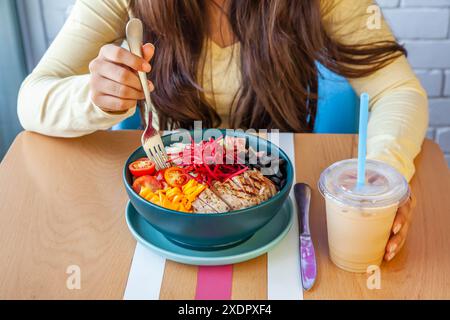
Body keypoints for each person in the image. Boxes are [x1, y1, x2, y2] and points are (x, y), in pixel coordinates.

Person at [17, 0, 428, 262]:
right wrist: (95, 96)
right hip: (167, 218)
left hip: (275, 207)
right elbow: (31, 99)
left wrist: (382, 175)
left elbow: (398, 90)